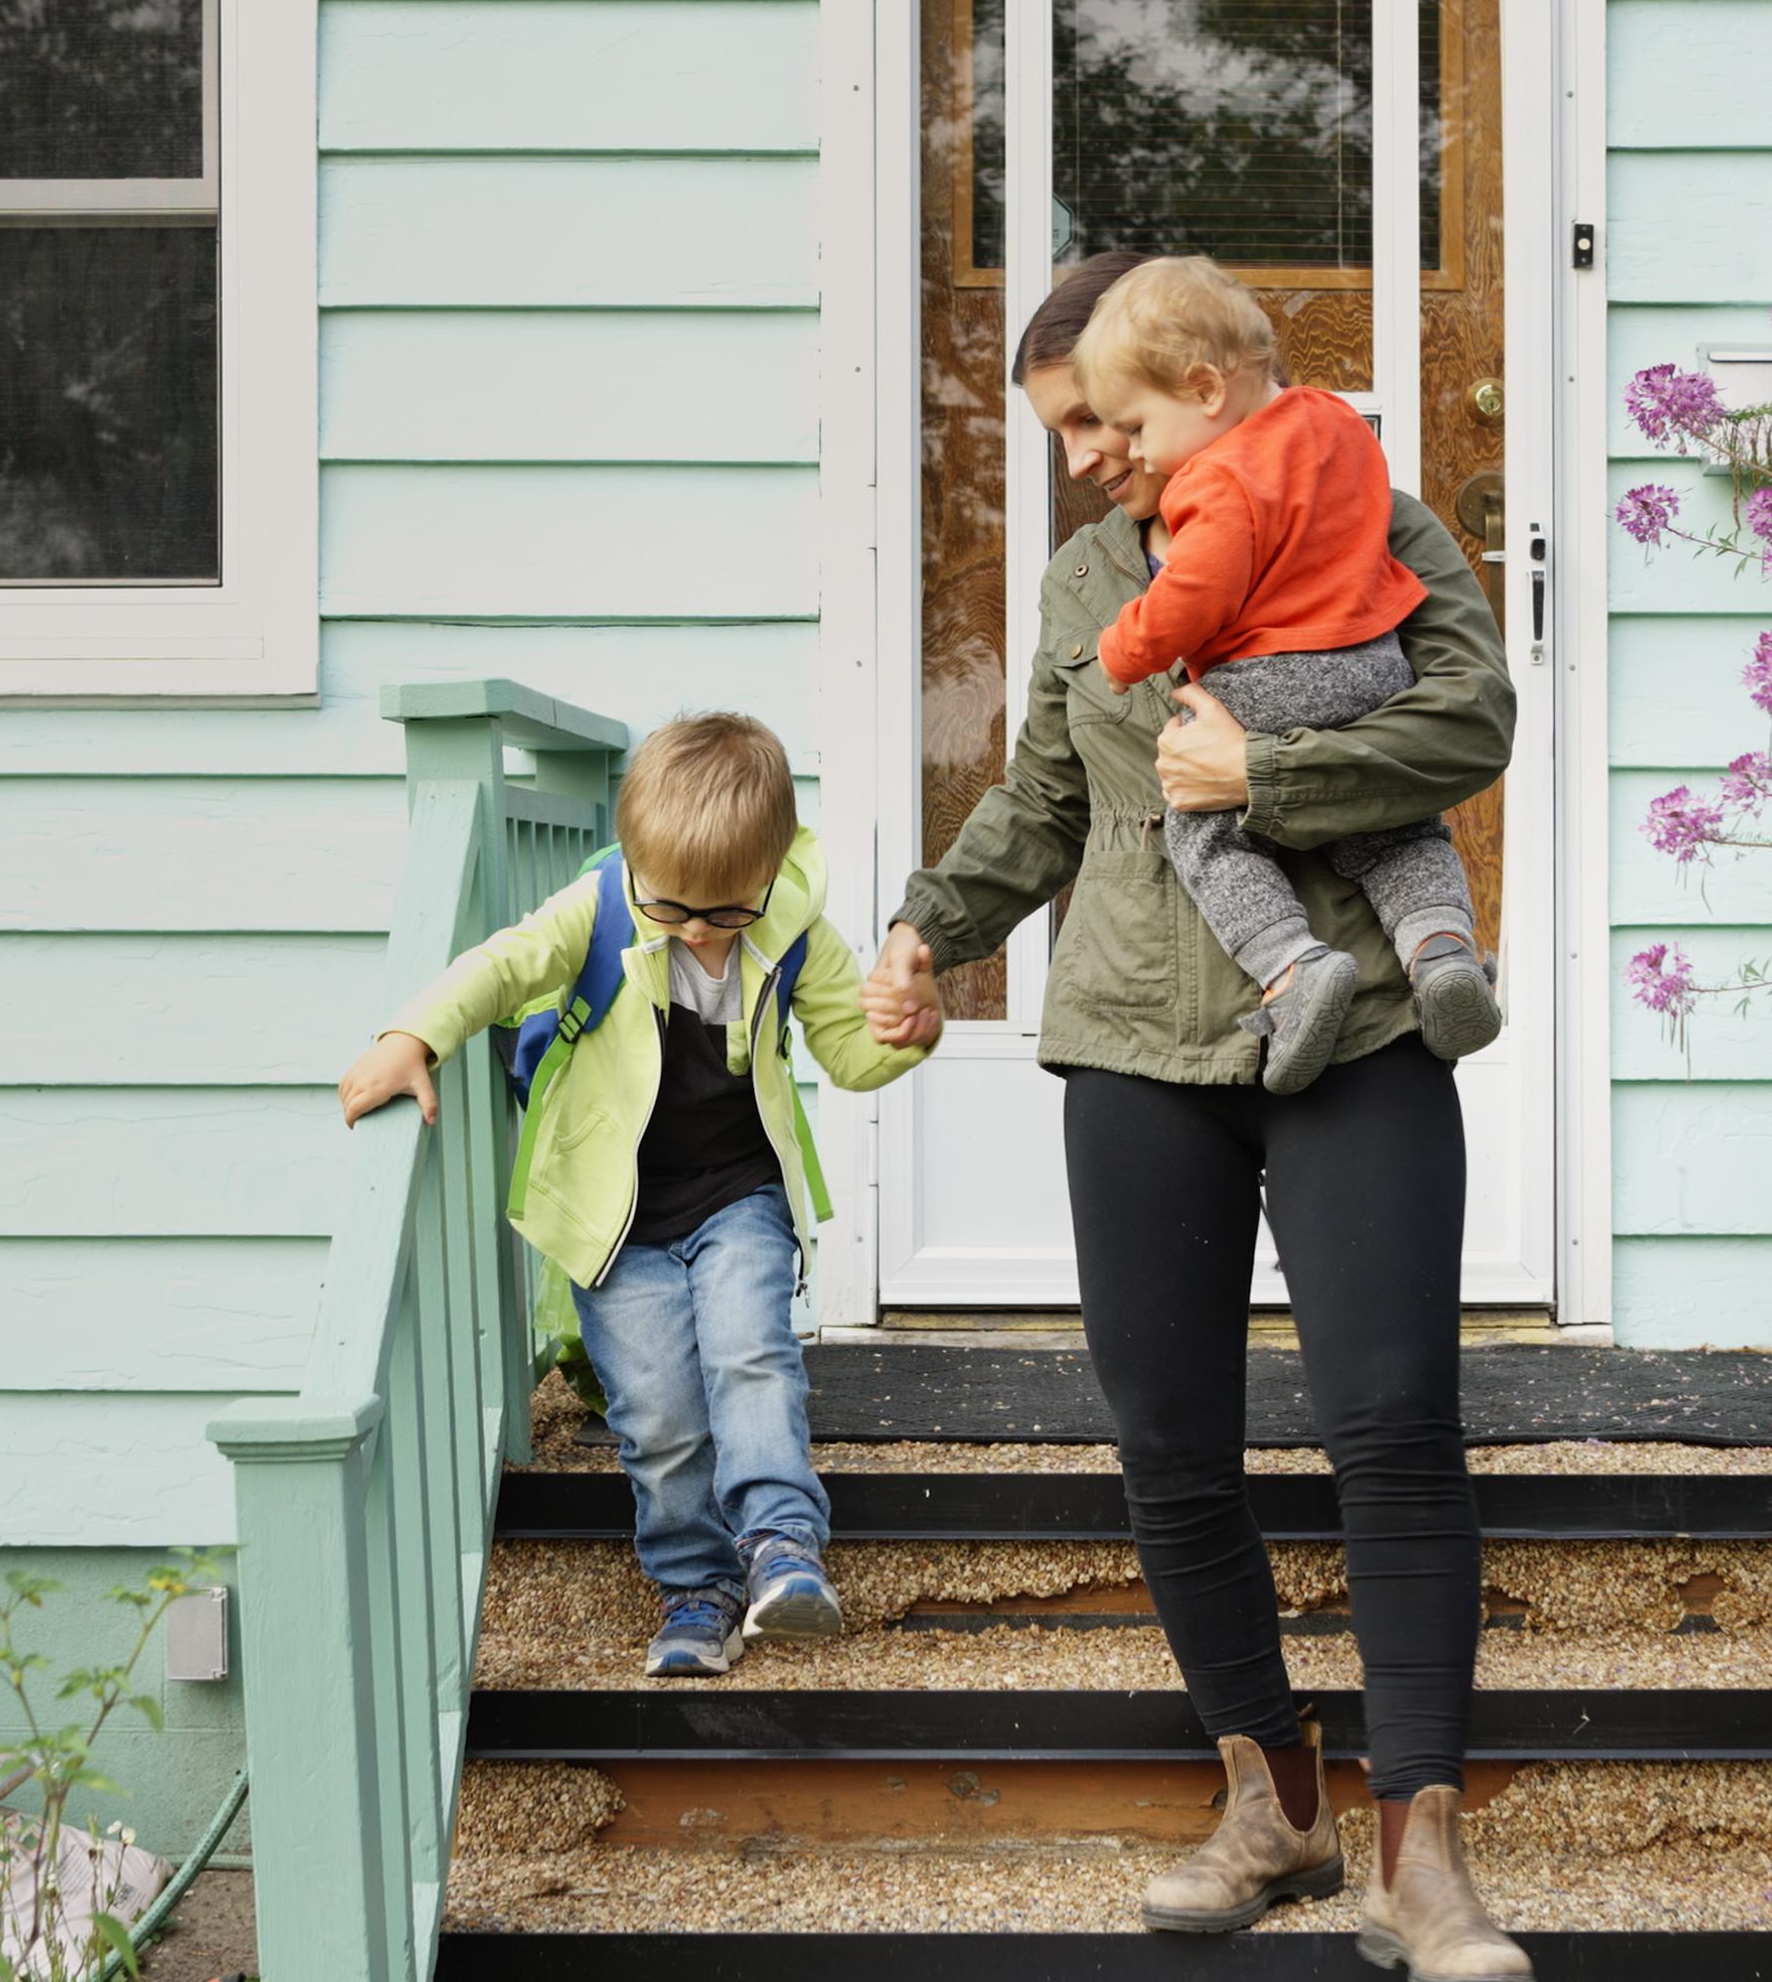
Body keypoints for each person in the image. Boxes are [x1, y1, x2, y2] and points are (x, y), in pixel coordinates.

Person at [863, 253, 1532, 1979]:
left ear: (1177, 380)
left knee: (1389, 1420)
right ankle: (1275, 1804)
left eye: (1097, 416)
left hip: (1359, 1025)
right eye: (1060, 430)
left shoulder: (1357, 496)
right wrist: (929, 930)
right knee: (1172, 1449)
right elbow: (1042, 803)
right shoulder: (1092, 573)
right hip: (1138, 1041)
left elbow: (1472, 715)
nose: (1083, 453)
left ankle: (1424, 1858)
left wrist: (1273, 777)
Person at [340, 711, 933, 1676]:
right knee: (656, 1412)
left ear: (770, 873)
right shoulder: (600, 909)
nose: (699, 930)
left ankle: (782, 1546)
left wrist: (908, 1035)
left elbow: (851, 1055)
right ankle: (696, 1586)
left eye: (726, 912)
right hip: (615, 1214)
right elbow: (496, 971)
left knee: (752, 1359)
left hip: (740, 1191)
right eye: (674, 909)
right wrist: (411, 1038)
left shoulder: (792, 932)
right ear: (636, 861)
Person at [1068, 254, 1500, 1091]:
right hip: (1375, 666)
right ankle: (1442, 949)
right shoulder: (1337, 425)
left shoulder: (1218, 481)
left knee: (1202, 826)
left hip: (1273, 677)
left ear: (1203, 390)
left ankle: (1294, 970)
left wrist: (1125, 649)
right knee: (1398, 832)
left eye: (1135, 427)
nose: (1131, 449)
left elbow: (1197, 594)